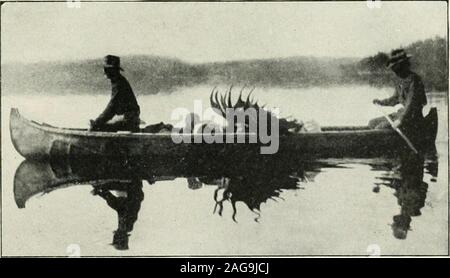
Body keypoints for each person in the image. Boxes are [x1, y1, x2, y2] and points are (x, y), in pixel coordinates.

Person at [369, 49, 427, 133]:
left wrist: (400, 120)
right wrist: (381, 102)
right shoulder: (399, 80)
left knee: (380, 127)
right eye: (393, 68)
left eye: (396, 68)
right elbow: (395, 99)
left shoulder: (414, 80)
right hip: (401, 115)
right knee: (372, 123)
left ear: (403, 65)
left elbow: (410, 104)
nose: (394, 71)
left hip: (413, 118)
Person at [90, 55, 141, 132]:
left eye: (106, 69)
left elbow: (112, 108)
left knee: (100, 127)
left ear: (112, 70)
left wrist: (96, 123)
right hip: (128, 118)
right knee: (102, 125)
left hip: (128, 120)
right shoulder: (118, 81)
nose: (104, 71)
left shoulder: (119, 84)